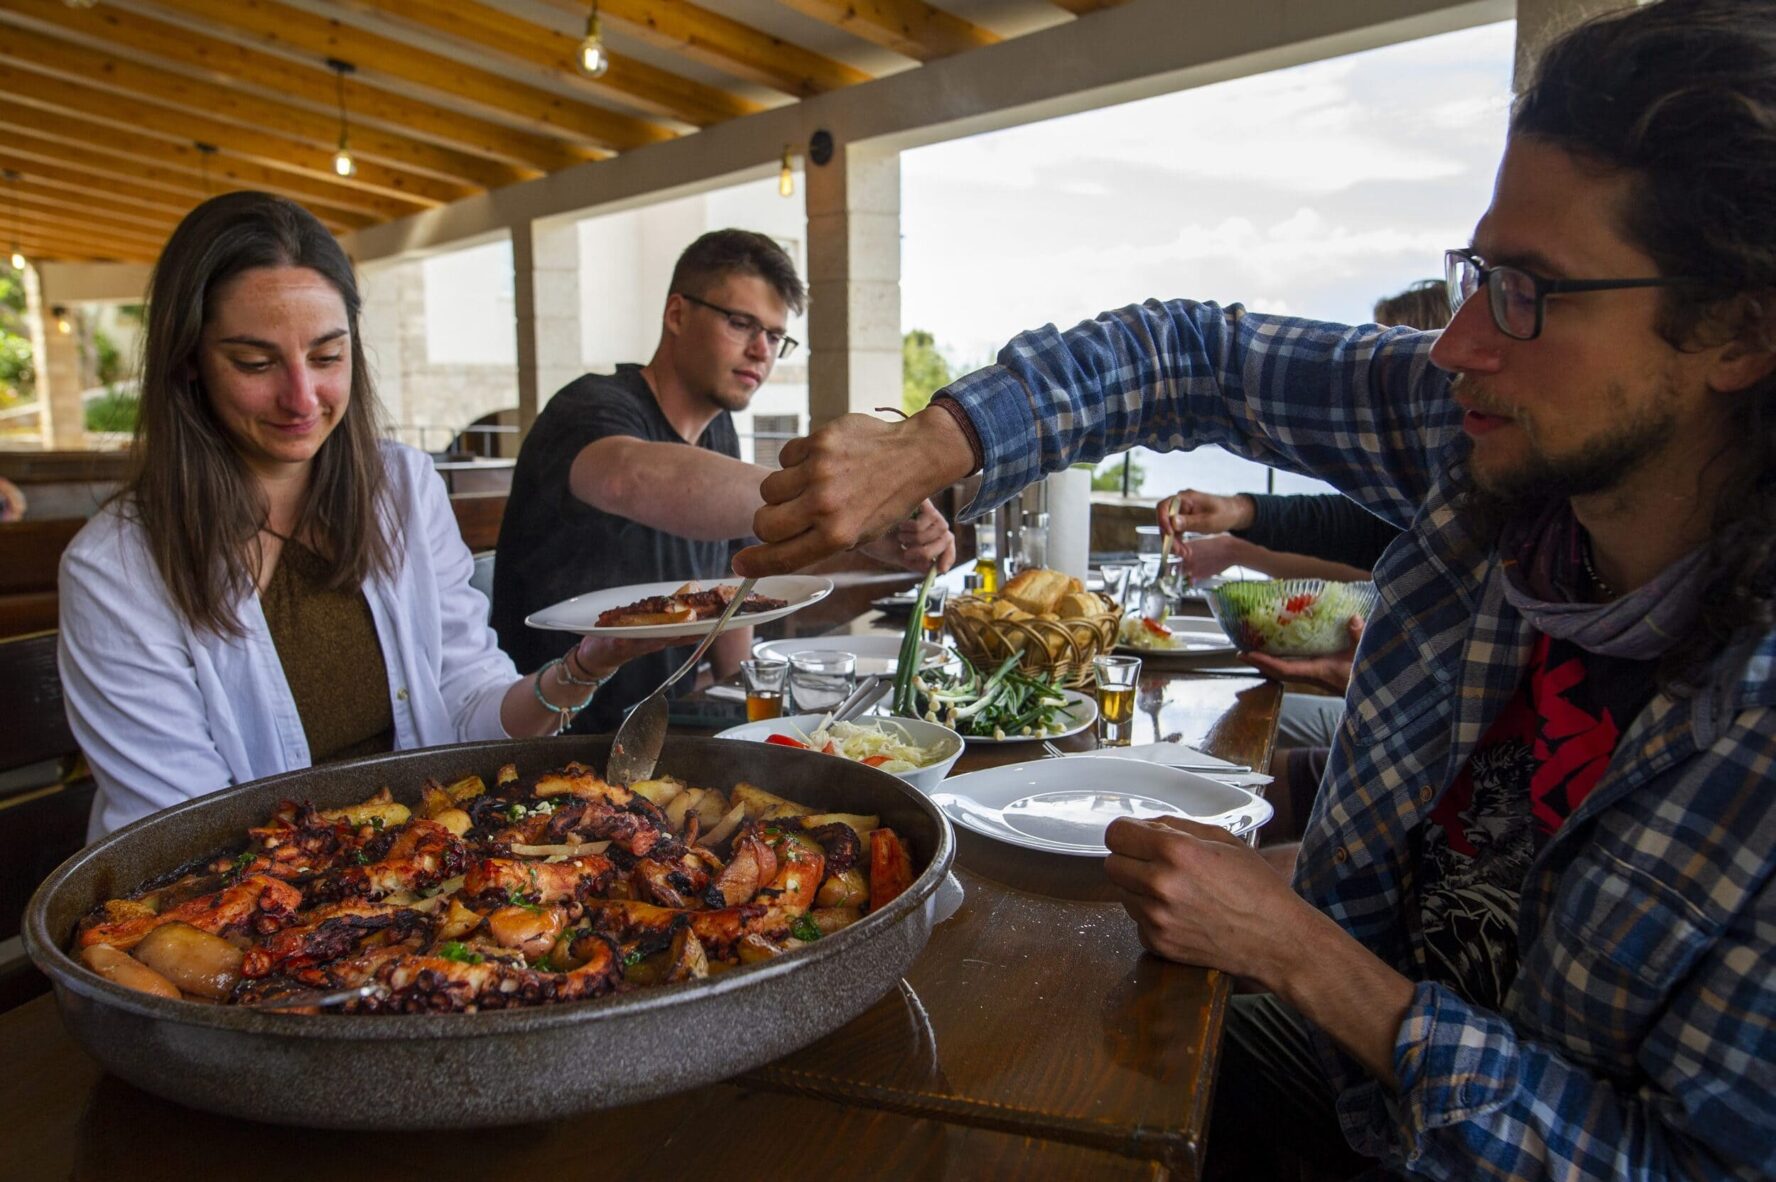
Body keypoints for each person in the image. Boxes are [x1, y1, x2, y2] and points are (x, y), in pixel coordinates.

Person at [731, 2, 1776, 1177]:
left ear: (1737, 332)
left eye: (1531, 292)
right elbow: (1193, 353)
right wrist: (935, 441)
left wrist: (1302, 955)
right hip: (1363, 1083)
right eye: (1477, 275)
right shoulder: (1507, 456)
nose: (1457, 345)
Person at [59, 192, 665, 839]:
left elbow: (465, 705)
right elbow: (182, 834)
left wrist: (582, 668)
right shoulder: (117, 570)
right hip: (245, 900)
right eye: (255, 362)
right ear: (188, 363)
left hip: (419, 864)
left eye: (326, 356)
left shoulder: (400, 487)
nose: (302, 397)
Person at [492, 229, 953, 733]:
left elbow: (736, 584)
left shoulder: (720, 434)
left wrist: (746, 704)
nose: (761, 351)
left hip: (665, 725)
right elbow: (631, 477)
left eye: (776, 336)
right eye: (741, 323)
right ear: (676, 314)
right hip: (553, 732)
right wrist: (852, 510)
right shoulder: (588, 407)